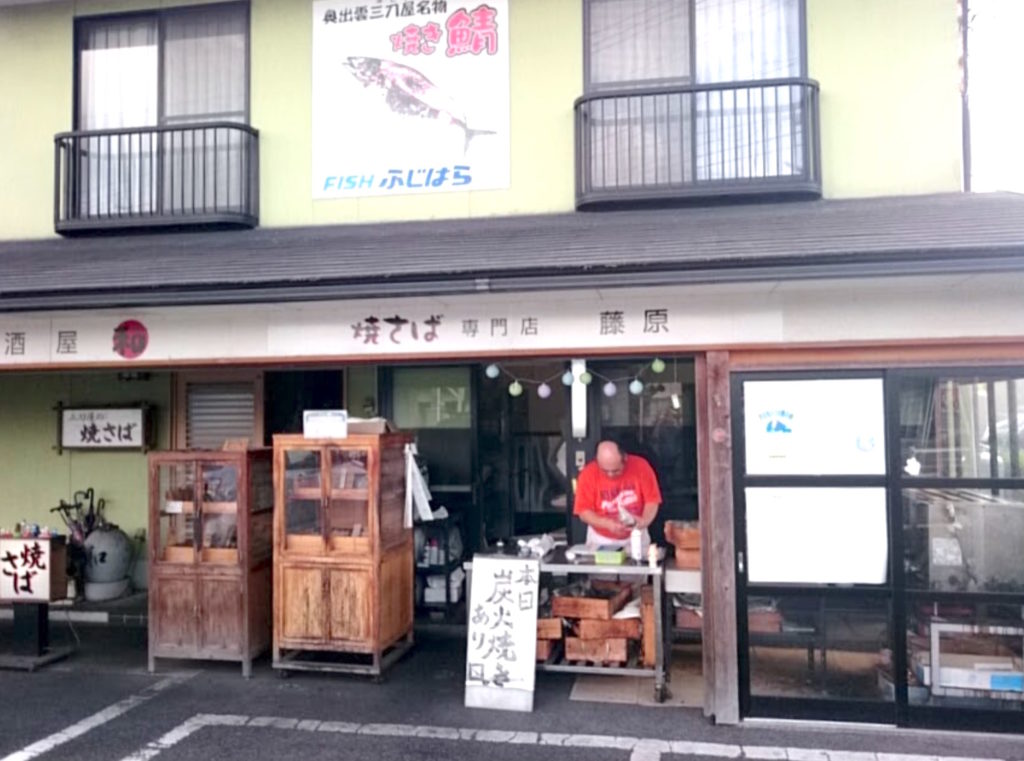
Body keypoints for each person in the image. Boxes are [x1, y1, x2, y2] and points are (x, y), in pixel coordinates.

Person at [573, 440, 662, 548]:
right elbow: (583, 512)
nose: (610, 474)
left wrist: (644, 521)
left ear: (625, 458)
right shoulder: (587, 474)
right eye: (604, 471)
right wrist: (606, 524)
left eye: (616, 470)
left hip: (636, 534)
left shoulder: (641, 466)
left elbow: (652, 500)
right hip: (601, 538)